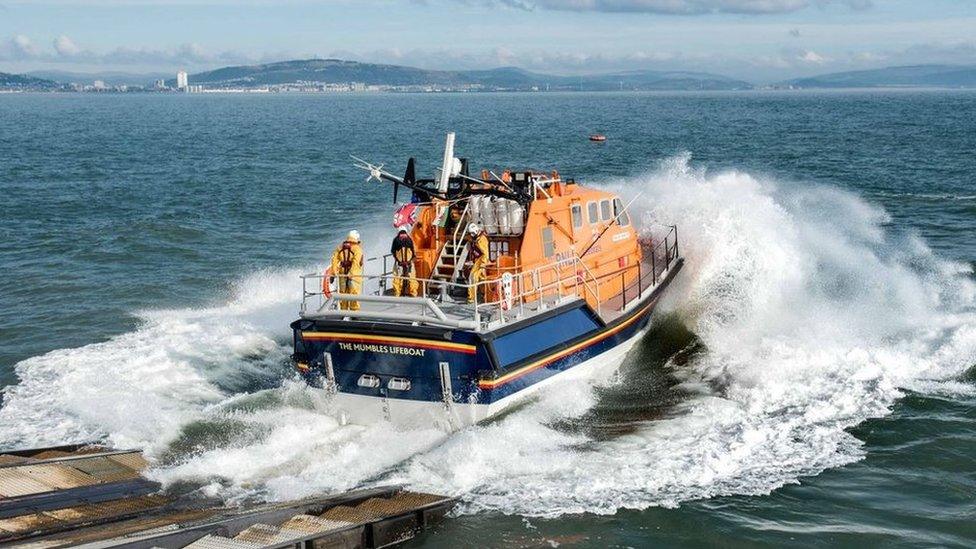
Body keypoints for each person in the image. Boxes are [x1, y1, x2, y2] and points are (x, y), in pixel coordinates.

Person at [330, 230, 364, 311]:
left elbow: (334, 260)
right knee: (354, 295)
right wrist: (351, 273)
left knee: (343, 294)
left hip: (342, 274)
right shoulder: (357, 249)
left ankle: (343, 312)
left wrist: (333, 273)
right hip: (354, 276)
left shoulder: (340, 247)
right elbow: (356, 263)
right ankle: (354, 313)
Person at [466, 223, 489, 303]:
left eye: (472, 233)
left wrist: (483, 264)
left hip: (481, 260)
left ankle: (471, 298)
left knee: (473, 277)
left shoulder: (481, 239)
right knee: (481, 278)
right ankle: (484, 295)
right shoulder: (475, 239)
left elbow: (485, 253)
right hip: (477, 260)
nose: (471, 235)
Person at [390, 229, 418, 297]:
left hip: (407, 264)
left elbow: (414, 255)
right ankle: (399, 293)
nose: (402, 238)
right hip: (401, 264)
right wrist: (400, 262)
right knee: (398, 279)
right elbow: (393, 252)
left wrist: (408, 262)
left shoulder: (407, 241)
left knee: (410, 279)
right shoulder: (399, 241)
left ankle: (411, 294)